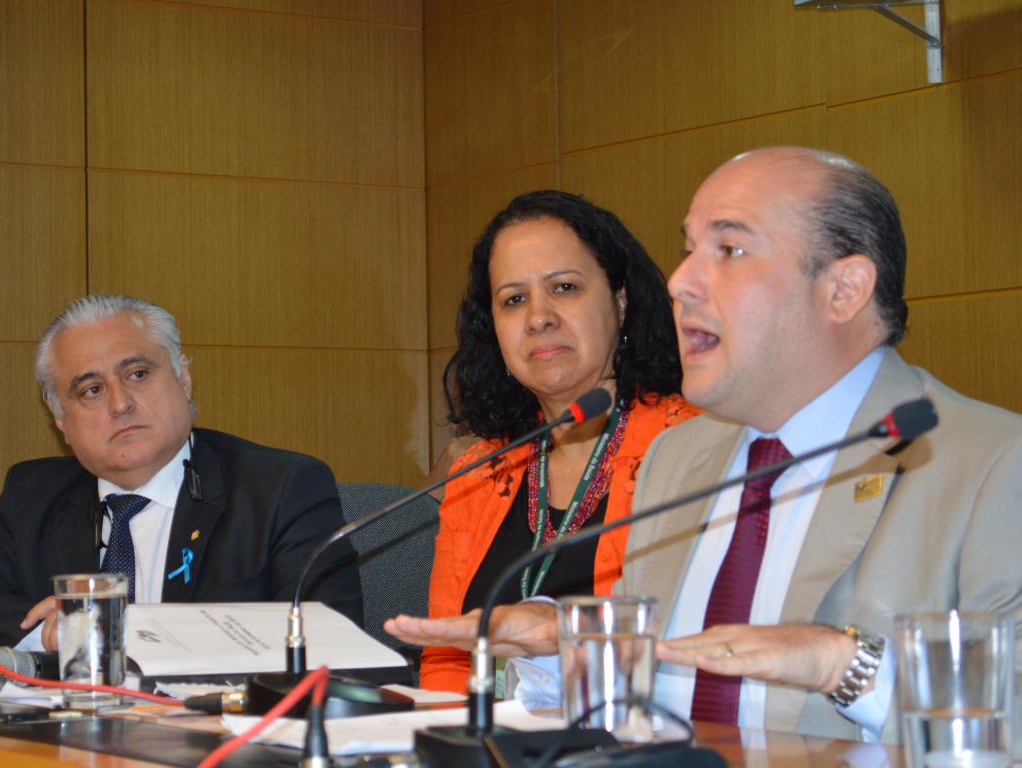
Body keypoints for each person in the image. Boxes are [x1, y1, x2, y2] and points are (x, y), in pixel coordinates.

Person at [387, 148, 1022, 742]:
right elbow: (638, 707)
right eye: (689, 251)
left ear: (844, 289)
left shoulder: (993, 465)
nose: (680, 281)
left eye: (730, 250)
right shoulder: (679, 461)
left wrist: (846, 666)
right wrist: (563, 648)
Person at [0, 295, 363, 655]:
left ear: (183, 378)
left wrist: (134, 631)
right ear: (60, 419)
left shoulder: (279, 488)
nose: (120, 403)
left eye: (138, 374)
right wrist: (59, 627)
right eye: (91, 390)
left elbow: (330, 644)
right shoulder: (35, 495)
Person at [419, 190, 699, 693]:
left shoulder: (692, 449)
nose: (538, 317)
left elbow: (696, 651)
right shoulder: (480, 471)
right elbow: (446, 662)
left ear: (620, 302)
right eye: (514, 300)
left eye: (564, 287)